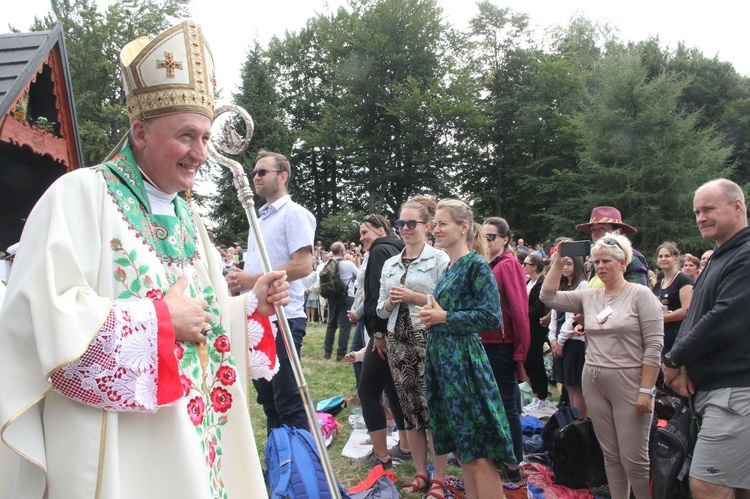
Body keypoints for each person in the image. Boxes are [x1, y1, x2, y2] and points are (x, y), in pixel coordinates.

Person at [0, 20, 290, 499]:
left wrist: (249, 307)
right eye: (186, 136)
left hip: (196, 432)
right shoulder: (80, 195)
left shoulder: (189, 217)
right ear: (139, 132)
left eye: (205, 137)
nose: (201, 153)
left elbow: (204, 320)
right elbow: (38, 317)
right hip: (119, 443)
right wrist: (155, 321)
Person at [541, 234, 663, 499]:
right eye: (596, 261)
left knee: (634, 457)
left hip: (629, 380)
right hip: (594, 379)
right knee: (610, 454)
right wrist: (559, 263)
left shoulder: (641, 295)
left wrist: (646, 389)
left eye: (606, 260)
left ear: (623, 263)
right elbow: (548, 296)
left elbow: (654, 346)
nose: (600, 266)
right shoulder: (590, 296)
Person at [417, 199, 515, 499]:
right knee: (465, 452)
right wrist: (434, 318)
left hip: (464, 366)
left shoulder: (476, 266)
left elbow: (490, 317)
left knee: (478, 451)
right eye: (434, 223)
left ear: (463, 227)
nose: (435, 229)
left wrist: (444, 317)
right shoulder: (451, 267)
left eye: (442, 223)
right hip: (446, 363)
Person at [663, 178, 750, 498]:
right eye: (697, 212)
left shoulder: (745, 254)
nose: (700, 217)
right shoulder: (720, 256)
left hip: (735, 390)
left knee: (708, 484)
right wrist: (680, 361)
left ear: (737, 206)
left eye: (709, 209)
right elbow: (695, 315)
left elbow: (726, 318)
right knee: (739, 486)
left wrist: (673, 359)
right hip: (716, 390)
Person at [226, 150, 316, 435]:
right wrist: (240, 283)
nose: (255, 177)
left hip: (284, 317)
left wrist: (250, 279)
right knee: (268, 400)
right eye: (254, 172)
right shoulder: (259, 219)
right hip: (258, 317)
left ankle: (300, 471)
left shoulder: (294, 214)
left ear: (283, 176)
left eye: (262, 172)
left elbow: (303, 265)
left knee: (288, 400)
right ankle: (281, 463)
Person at [376, 196, 450, 495]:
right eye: (400, 224)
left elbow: (447, 303)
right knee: (410, 412)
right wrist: (389, 302)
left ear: (428, 226)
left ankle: (440, 478)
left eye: (411, 223)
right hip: (399, 342)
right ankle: (421, 473)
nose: (405, 229)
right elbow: (380, 310)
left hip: (428, 341)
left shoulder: (440, 260)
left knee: (434, 411)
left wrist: (414, 297)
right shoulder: (390, 263)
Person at [356, 214, 411, 468]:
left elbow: (381, 293)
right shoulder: (399, 248)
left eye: (365, 231)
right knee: (393, 389)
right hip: (401, 329)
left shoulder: (380, 250)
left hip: (384, 332)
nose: (362, 238)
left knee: (367, 391)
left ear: (381, 229)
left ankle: (381, 456)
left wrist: (377, 333)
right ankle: (405, 446)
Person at [480, 217, 530, 474]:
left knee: (506, 403)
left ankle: (513, 460)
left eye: (491, 237)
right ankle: (497, 452)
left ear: (505, 240)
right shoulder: (486, 264)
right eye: (483, 236)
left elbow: (520, 309)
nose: (486, 241)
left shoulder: (508, 265)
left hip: (501, 343)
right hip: (484, 342)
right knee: (491, 402)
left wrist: (521, 351)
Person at [548, 254, 589, 417]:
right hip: (559, 340)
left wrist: (561, 340)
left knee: (576, 386)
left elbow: (575, 317)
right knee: (567, 385)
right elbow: (554, 314)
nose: (565, 267)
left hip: (573, 341)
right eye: (563, 264)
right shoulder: (562, 287)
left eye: (569, 263)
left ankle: (580, 421)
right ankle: (573, 419)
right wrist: (552, 338)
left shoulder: (583, 286)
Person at [576, 206, 650, 287]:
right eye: (593, 229)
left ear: (618, 232)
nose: (595, 234)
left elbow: (638, 295)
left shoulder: (631, 256)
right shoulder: (598, 260)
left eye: (601, 228)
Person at [652, 242, 693, 355]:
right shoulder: (658, 283)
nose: (663, 259)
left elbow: (686, 311)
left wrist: (662, 318)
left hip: (678, 333)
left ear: (676, 258)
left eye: (667, 256)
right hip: (661, 332)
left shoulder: (683, 281)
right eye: (660, 256)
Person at [323, 241, 358, 360]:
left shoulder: (327, 263)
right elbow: (358, 275)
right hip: (346, 295)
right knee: (344, 326)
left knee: (331, 324)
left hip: (332, 296)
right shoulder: (348, 264)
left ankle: (327, 352)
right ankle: (340, 354)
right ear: (343, 252)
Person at [524, 253, 550, 410]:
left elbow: (538, 309)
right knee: (529, 363)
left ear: (534, 267)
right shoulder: (528, 282)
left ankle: (541, 396)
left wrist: (520, 310)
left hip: (536, 329)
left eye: (526, 264)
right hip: (527, 328)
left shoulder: (541, 285)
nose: (523, 266)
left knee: (536, 362)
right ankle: (535, 395)